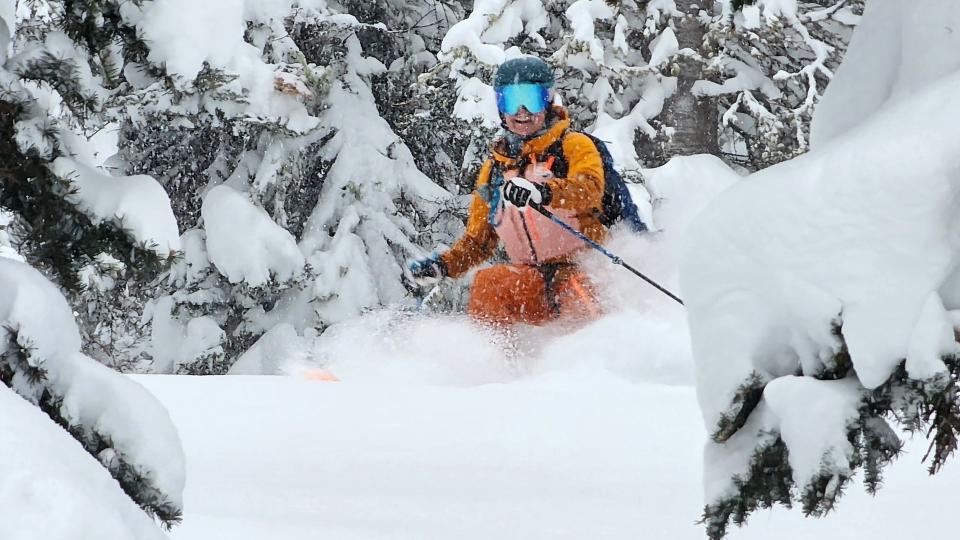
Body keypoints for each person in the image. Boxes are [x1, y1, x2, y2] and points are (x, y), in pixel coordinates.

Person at [409, 56, 607, 326]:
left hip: (584, 268)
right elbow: (478, 242)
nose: (521, 112)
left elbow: (590, 188)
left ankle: (600, 356)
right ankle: (496, 361)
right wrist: (444, 265)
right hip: (532, 279)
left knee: (579, 300)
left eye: (531, 99)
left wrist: (544, 192)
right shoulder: (495, 170)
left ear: (548, 101)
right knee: (490, 283)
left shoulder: (572, 145)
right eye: (510, 101)